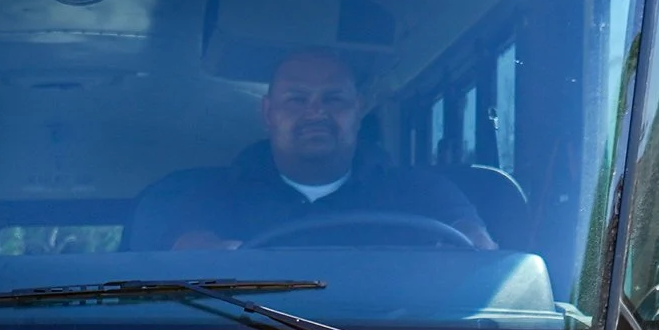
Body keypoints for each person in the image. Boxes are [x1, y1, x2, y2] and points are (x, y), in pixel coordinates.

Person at [127, 48, 495, 251]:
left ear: (359, 109)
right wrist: (195, 252)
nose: (315, 112)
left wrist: (474, 242)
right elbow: (162, 274)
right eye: (297, 99)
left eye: (333, 99)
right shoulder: (200, 195)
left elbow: (479, 250)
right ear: (268, 112)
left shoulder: (424, 193)